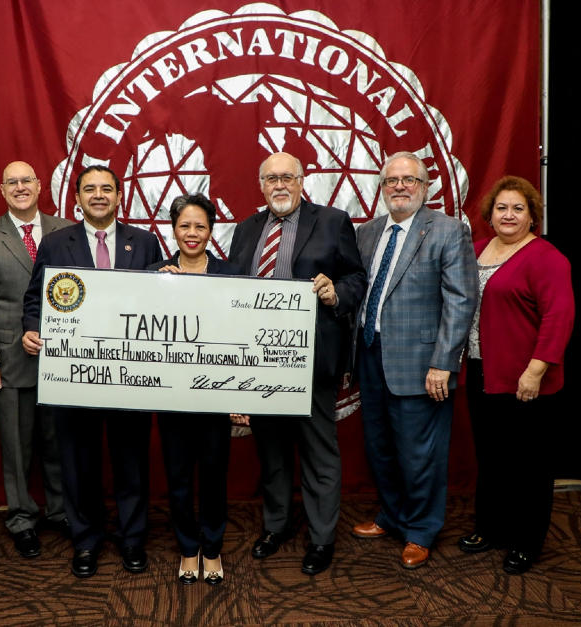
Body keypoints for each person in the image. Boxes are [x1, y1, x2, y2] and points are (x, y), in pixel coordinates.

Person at [227, 152, 367, 575]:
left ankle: (322, 538)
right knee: (271, 451)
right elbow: (233, 289)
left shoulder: (332, 220)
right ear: (261, 185)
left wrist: (334, 291)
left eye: (288, 176)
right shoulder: (245, 229)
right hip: (259, 360)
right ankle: (276, 525)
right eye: (271, 178)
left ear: (302, 180)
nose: (280, 184)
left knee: (318, 451)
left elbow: (356, 279)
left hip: (312, 358)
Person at [22, 165, 163, 578]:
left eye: (106, 189)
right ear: (77, 198)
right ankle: (85, 541)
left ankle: (132, 538)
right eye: (90, 189)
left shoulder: (146, 242)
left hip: (130, 374)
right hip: (73, 372)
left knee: (131, 460)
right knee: (77, 461)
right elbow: (36, 300)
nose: (98, 195)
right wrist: (33, 330)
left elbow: (160, 304)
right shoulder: (54, 243)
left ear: (120, 196)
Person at [351, 151, 478, 570]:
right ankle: (392, 517)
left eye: (409, 180)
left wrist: (444, 362)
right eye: (391, 181)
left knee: (419, 453)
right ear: (382, 189)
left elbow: (462, 299)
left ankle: (421, 530)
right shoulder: (367, 233)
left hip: (423, 365)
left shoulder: (446, 230)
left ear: (425, 188)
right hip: (370, 355)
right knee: (381, 449)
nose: (400, 187)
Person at [459, 176, 574, 574]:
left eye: (518, 208)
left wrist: (535, 370)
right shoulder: (473, 251)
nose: (508, 215)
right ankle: (490, 528)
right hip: (481, 372)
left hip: (527, 380)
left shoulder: (547, 258)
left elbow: (559, 317)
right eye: (502, 208)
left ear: (532, 215)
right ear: (490, 214)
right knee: (492, 459)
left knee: (531, 465)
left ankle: (526, 542)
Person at [0, 161, 73, 558]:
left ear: (40, 185)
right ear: (2, 189)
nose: (21, 187)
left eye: (27, 180)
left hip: (65, 359)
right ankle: (22, 518)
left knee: (59, 442)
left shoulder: (65, 230)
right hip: (11, 360)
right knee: (16, 445)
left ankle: (61, 512)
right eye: (13, 182)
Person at [146, 193, 242, 586]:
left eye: (200, 226)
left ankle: (213, 548)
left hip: (216, 396)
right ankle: (188, 548)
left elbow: (241, 340)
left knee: (215, 475)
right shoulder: (154, 274)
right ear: (173, 229)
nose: (192, 233)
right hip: (171, 397)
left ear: (211, 230)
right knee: (179, 474)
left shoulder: (231, 273)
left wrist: (240, 395)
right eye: (184, 225)